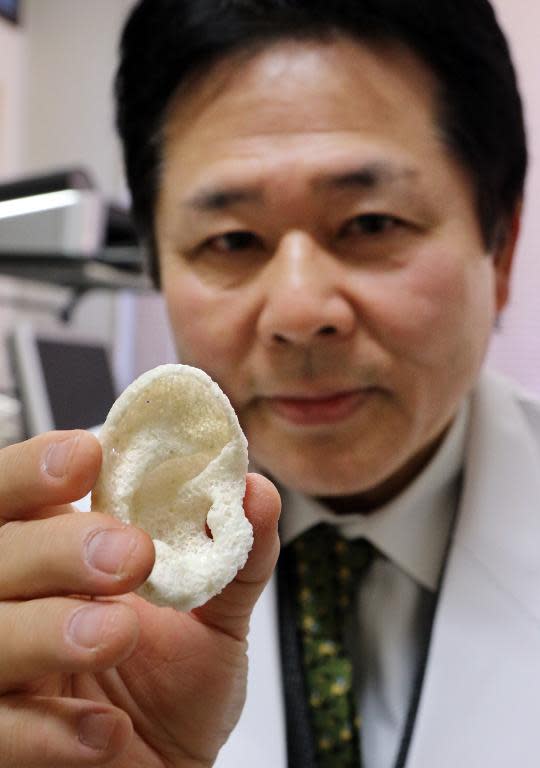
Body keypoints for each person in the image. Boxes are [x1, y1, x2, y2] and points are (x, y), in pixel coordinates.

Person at [1, 0, 538, 766]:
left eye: (371, 223)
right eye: (231, 240)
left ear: (502, 246)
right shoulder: (51, 575)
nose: (298, 311)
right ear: (156, 265)